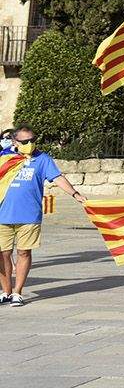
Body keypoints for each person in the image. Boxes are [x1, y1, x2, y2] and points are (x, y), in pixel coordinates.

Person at [0, 126, 87, 305]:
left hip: (29, 215)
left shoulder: (42, 159)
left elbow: (58, 178)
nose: (30, 144)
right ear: (15, 142)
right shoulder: (4, 159)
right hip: (3, 214)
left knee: (24, 252)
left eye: (32, 140)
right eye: (25, 142)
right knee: (2, 254)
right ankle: (6, 291)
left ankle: (17, 292)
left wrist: (75, 194)